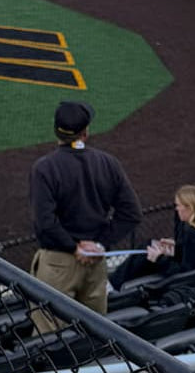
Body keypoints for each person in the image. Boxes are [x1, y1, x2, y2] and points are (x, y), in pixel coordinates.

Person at [29, 101, 141, 333]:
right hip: (95, 263)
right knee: (94, 336)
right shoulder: (108, 163)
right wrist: (98, 245)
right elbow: (131, 213)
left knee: (49, 338)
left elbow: (45, 222)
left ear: (56, 130)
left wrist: (73, 248)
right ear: (85, 132)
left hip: (57, 263)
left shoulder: (45, 168)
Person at [111, 185, 195, 290]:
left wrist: (159, 259)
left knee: (146, 251)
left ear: (190, 208)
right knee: (149, 245)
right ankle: (114, 282)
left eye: (178, 205)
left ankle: (113, 284)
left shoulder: (193, 232)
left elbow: (189, 275)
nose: (176, 209)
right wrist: (178, 246)